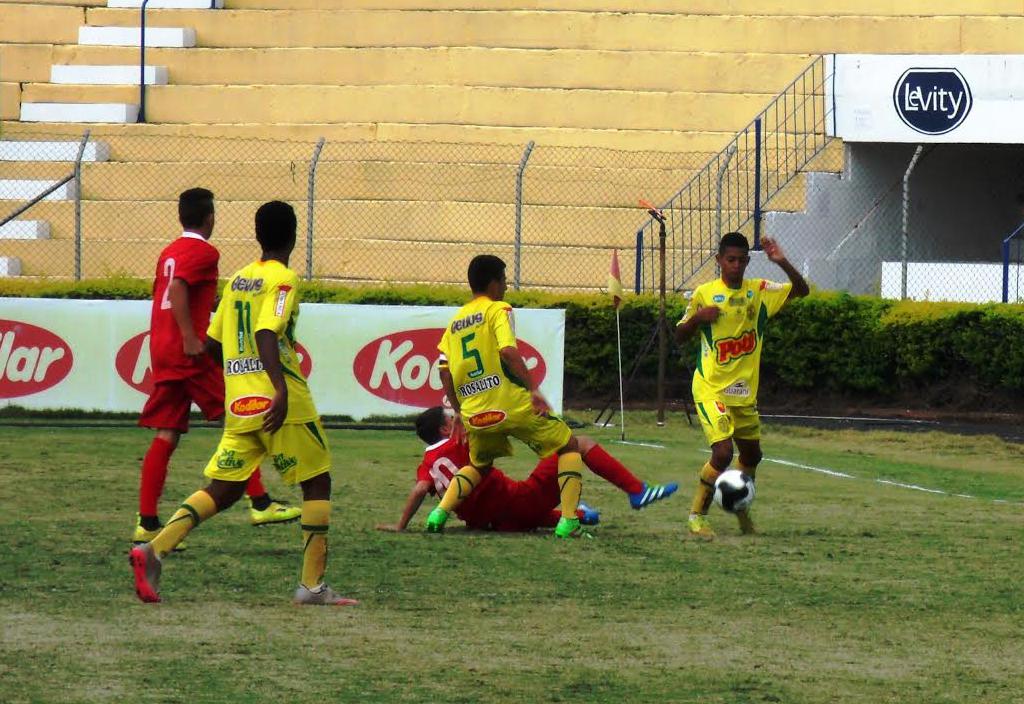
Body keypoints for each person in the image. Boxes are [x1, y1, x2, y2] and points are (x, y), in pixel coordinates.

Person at [130, 201, 357, 606]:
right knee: (317, 482)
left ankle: (154, 549)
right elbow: (268, 332)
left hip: (240, 404)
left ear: (257, 235)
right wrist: (279, 388)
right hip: (281, 403)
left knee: (225, 489)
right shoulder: (283, 279)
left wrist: (240, 378)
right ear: (293, 236)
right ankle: (311, 587)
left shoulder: (238, 280)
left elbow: (214, 344)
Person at [133, 188, 300, 549]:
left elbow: (170, 292)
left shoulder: (169, 251)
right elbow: (179, 289)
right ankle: (260, 503)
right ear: (210, 218)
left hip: (161, 348)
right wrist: (191, 337)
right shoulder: (205, 252)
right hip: (189, 354)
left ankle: (147, 522)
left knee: (167, 433)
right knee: (243, 417)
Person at [423, 254, 595, 539]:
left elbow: (444, 372)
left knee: (478, 465)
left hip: (475, 413)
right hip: (510, 404)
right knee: (569, 446)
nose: (505, 286)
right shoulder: (498, 310)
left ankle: (438, 513)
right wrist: (533, 389)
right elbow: (507, 351)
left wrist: (459, 413)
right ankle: (568, 521)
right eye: (503, 280)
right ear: (493, 283)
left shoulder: (454, 323)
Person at [675, 233, 809, 538]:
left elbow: (802, 291)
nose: (735, 265)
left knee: (752, 456)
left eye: (741, 260)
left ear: (748, 261)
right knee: (723, 453)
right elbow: (679, 335)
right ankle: (697, 517)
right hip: (711, 388)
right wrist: (697, 318)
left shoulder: (758, 291)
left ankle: (738, 504)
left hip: (744, 394)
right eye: (730, 260)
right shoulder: (705, 294)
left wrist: (782, 262)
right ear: (719, 260)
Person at [377, 406, 676, 533]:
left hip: (492, 524)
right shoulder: (461, 440)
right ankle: (636, 491)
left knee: (529, 515)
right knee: (579, 444)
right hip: (517, 503)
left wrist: (401, 526)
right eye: (454, 418)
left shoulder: (427, 463)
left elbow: (420, 488)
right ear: (446, 429)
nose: (460, 420)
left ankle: (582, 514)